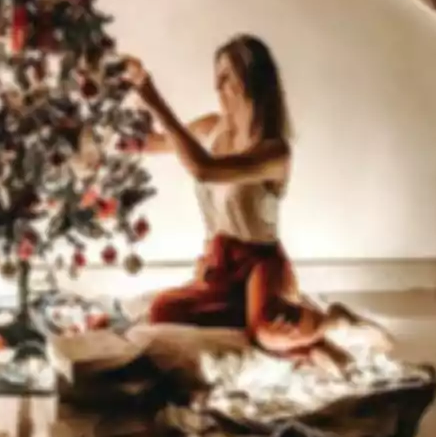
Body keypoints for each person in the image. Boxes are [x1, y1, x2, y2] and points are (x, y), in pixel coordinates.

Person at [123, 35, 390, 368]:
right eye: (216, 75)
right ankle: (309, 344)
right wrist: (126, 93)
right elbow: (152, 143)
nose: (215, 85)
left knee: (267, 332)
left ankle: (333, 322)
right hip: (219, 264)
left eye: (226, 77)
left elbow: (205, 170)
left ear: (250, 82)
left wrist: (152, 93)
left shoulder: (274, 151)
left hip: (260, 264)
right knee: (164, 310)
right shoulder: (210, 127)